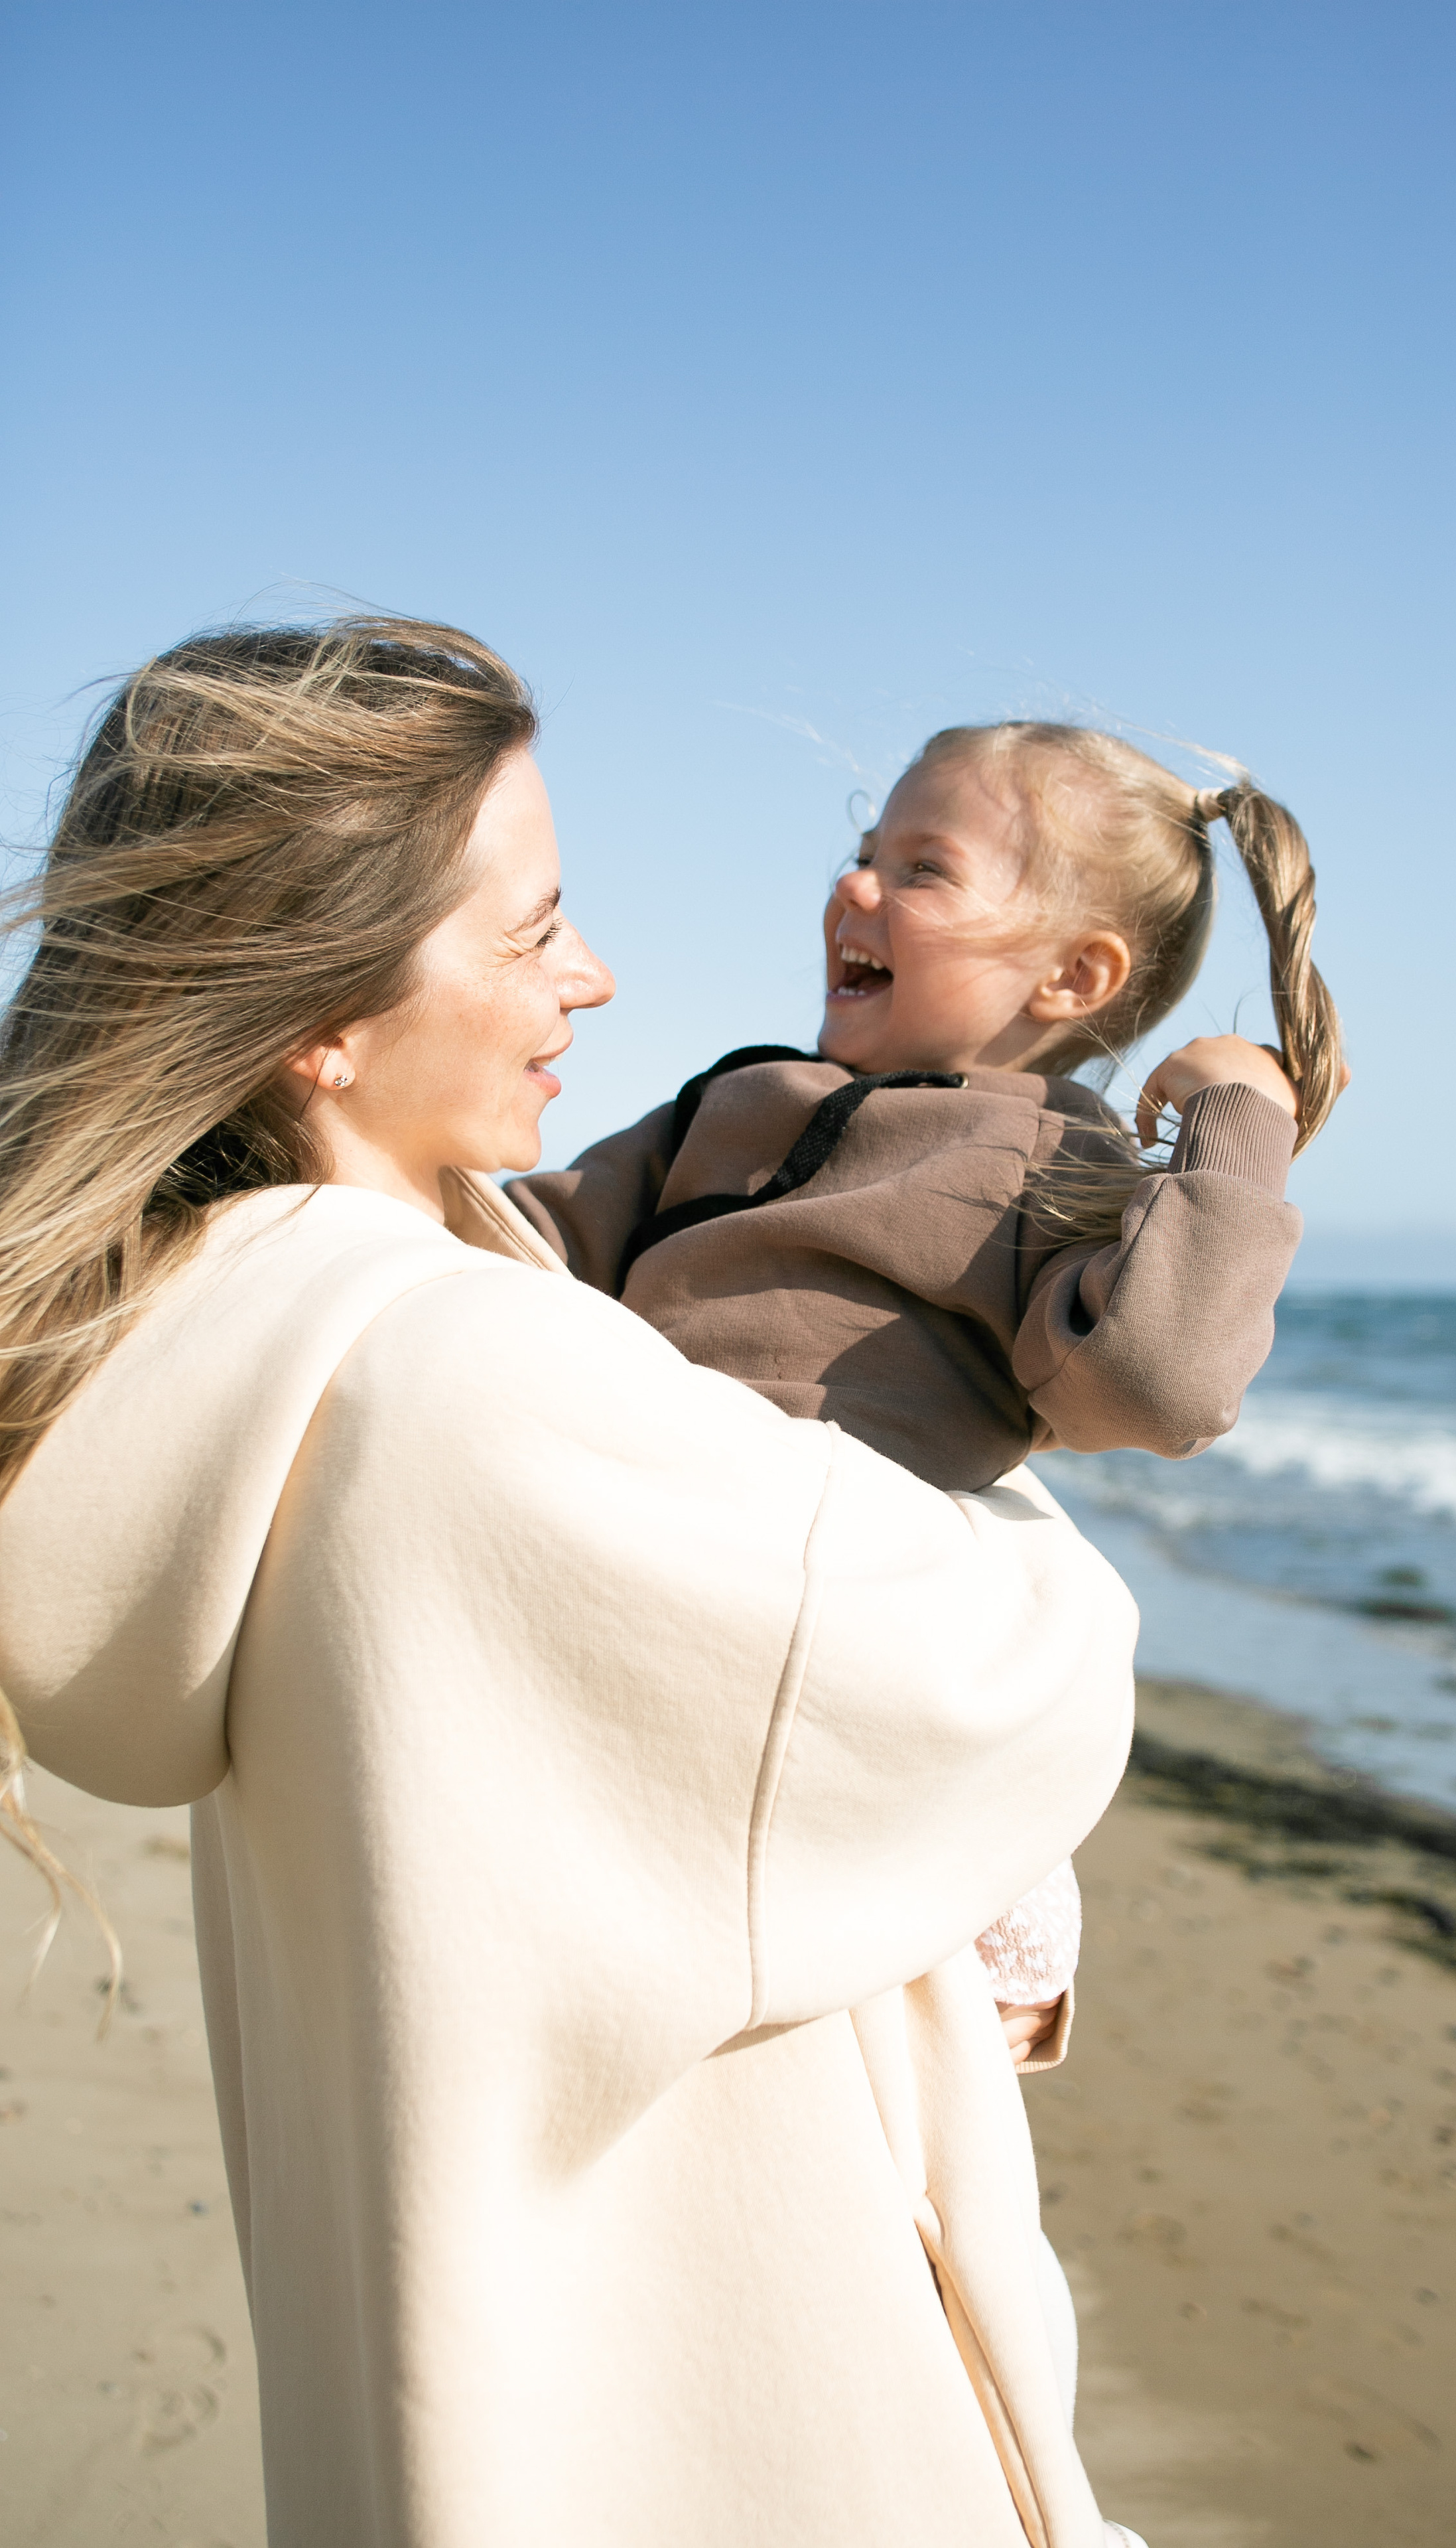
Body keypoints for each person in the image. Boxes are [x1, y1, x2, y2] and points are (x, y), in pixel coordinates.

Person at [0, 621, 1146, 2548]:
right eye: (532, 934)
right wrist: (965, 1435)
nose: (595, 979)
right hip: (715, 2417)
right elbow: (1003, 1688)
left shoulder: (242, 1353)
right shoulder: (474, 1388)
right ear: (325, 1013)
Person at [509, 719, 1346, 2067]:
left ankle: (981, 1931)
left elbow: (1156, 1388)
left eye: (920, 870)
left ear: (1077, 973)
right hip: (656, 1540)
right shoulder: (726, 1104)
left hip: (856, 1623)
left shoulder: (1064, 1173)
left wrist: (1236, 1135)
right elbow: (524, 1254)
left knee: (866, 2034)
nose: (853, 890)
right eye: (859, 855)